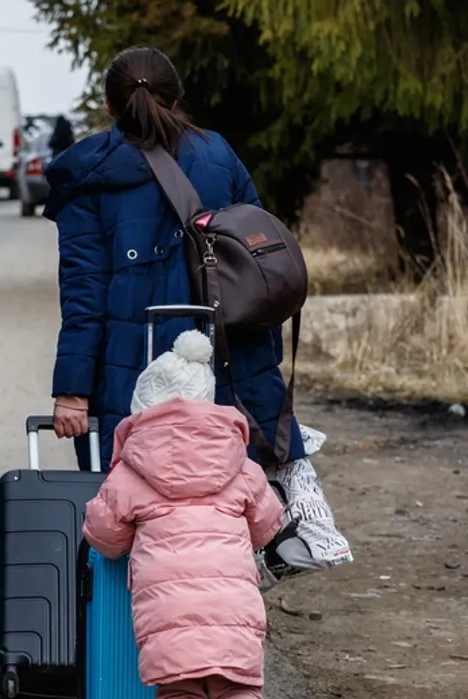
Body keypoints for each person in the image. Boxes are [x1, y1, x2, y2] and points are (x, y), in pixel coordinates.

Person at [43, 45, 305, 473]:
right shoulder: (218, 154)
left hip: (129, 375)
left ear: (110, 106)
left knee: (137, 498)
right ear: (177, 99)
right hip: (227, 361)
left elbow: (84, 296)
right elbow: (261, 268)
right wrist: (263, 362)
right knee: (234, 498)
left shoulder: (88, 179)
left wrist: (71, 392)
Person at [83, 330, 282, 699]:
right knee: (239, 684)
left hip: (166, 612)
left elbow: (105, 538)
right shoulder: (241, 465)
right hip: (232, 604)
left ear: (143, 411)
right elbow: (267, 525)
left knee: (179, 696)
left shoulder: (130, 472)